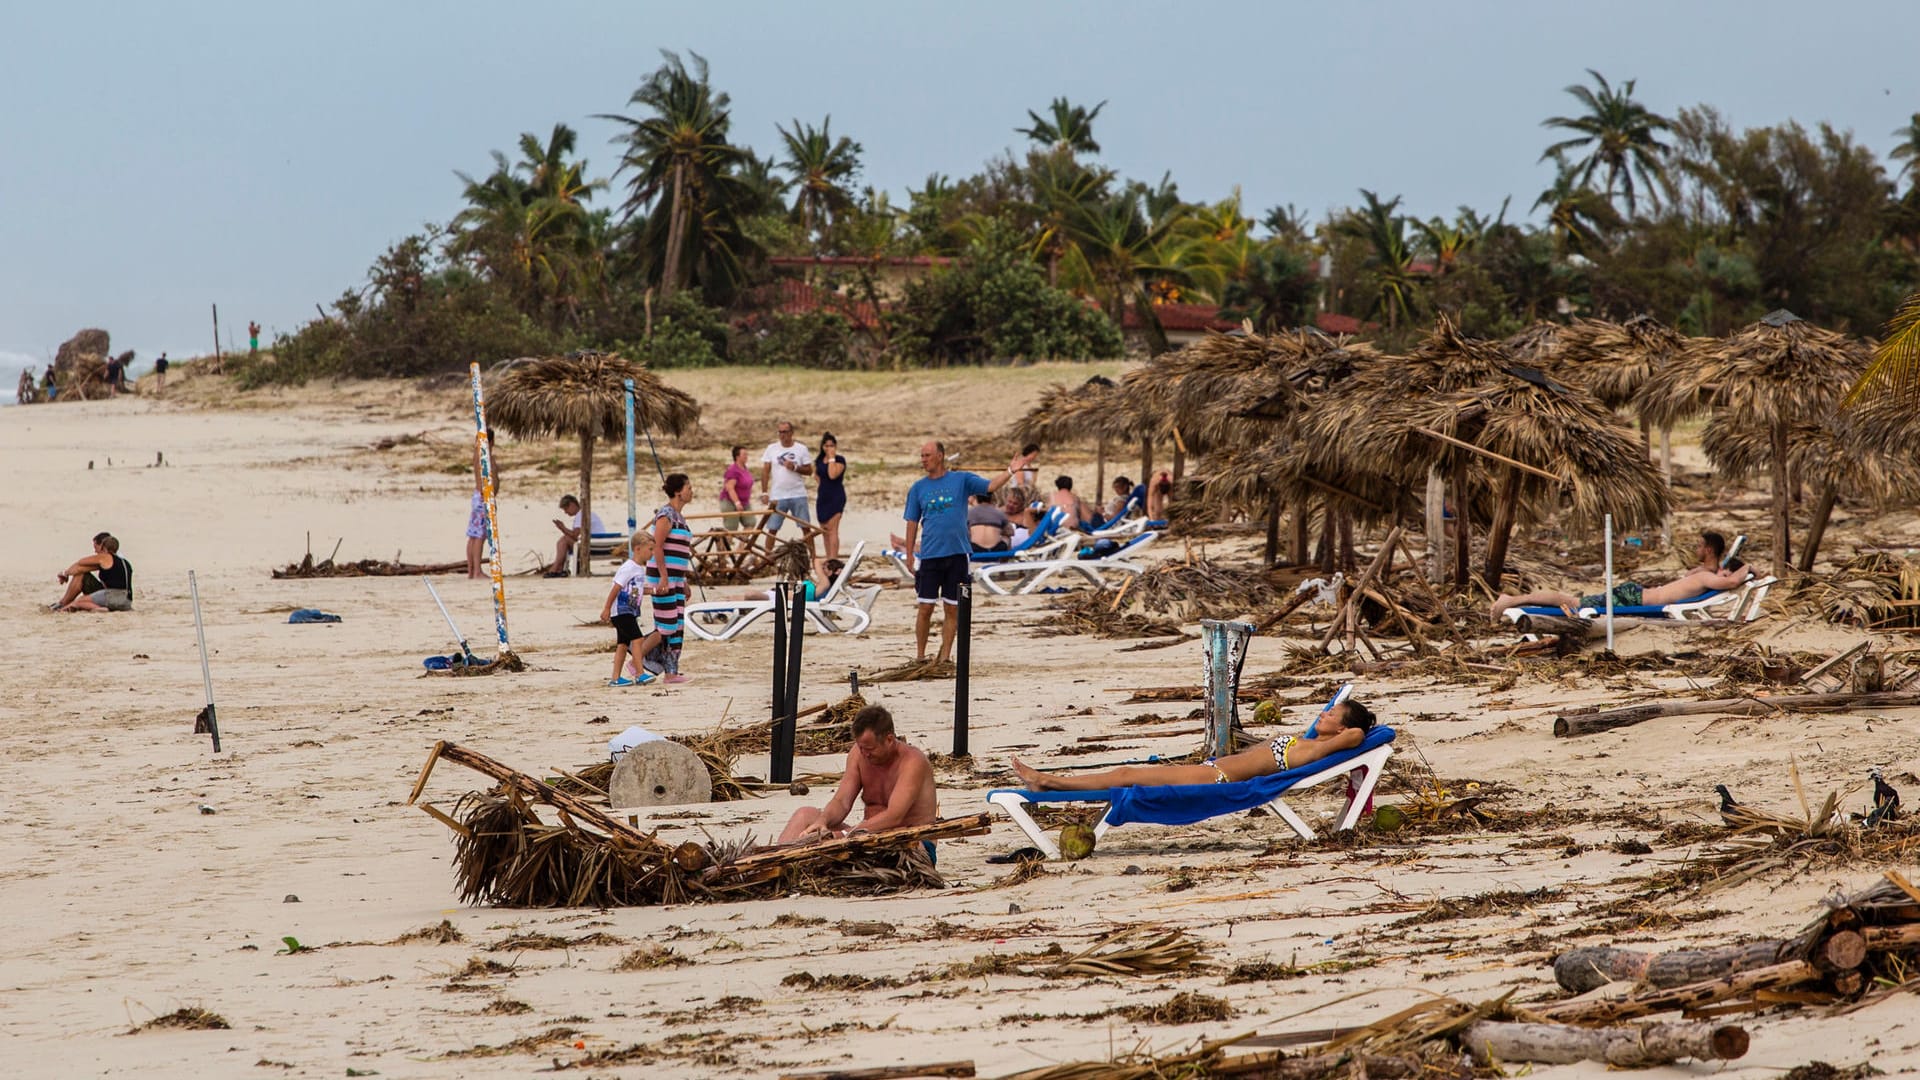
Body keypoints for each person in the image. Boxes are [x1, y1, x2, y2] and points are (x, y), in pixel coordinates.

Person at [1012, 699, 1378, 791]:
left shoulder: (1320, 748)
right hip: (1212, 769)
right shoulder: (1311, 741)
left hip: (1215, 780)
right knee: (1126, 773)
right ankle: (1050, 781)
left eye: (1333, 713)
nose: (1324, 713)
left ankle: (1049, 781)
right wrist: (1328, 724)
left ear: (1343, 726)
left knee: (1126, 776)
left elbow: (1358, 735)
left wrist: (1355, 726)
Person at [900, 440, 1033, 663]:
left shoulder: (961, 480)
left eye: (927, 455)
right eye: (921, 456)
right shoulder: (918, 488)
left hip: (958, 554)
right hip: (930, 555)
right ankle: (920, 656)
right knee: (925, 607)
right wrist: (910, 554)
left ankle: (944, 657)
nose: (923, 460)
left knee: (952, 609)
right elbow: (912, 521)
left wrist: (1010, 471)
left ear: (940, 456)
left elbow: (990, 487)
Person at [777, 705, 941, 861]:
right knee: (805, 814)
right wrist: (823, 821)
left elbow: (894, 817)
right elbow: (841, 802)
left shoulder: (913, 762)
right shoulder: (858, 753)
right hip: (863, 838)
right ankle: (775, 861)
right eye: (861, 747)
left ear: (889, 739)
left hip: (910, 843)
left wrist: (843, 835)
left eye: (869, 749)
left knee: (897, 839)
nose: (864, 754)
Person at [1489, 531, 1748, 620]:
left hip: (1634, 596)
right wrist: (1746, 568)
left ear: (1709, 549)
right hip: (1632, 597)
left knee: (1572, 602)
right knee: (1571, 603)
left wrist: (1745, 567)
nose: (1695, 549)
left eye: (1699, 546)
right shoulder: (1704, 574)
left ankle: (1513, 601)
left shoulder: (1706, 574)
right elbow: (1731, 579)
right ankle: (1510, 601)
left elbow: (1732, 580)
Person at [631, 474, 695, 684]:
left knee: (676, 626)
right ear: (678, 491)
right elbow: (657, 547)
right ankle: (636, 659)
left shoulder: (680, 517)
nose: (691, 491)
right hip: (662, 578)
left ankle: (671, 672)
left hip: (676, 578)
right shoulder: (665, 515)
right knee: (666, 625)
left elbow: (679, 553)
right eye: (688, 487)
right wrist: (665, 577)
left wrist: (682, 581)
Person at [599, 531, 658, 687]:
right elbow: (616, 587)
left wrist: (653, 591)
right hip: (621, 610)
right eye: (650, 549)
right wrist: (606, 608)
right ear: (638, 549)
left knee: (622, 644)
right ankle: (639, 674)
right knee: (637, 639)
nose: (652, 553)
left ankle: (616, 678)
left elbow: (635, 590)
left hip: (629, 611)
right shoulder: (629, 567)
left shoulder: (638, 569)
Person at [52, 532, 134, 612]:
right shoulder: (123, 561)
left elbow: (81, 562)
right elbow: (80, 569)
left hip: (113, 596)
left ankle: (63, 606)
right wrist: (66, 573)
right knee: (81, 575)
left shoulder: (104, 557)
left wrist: (65, 573)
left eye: (96, 547)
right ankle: (64, 604)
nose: (95, 551)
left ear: (103, 547)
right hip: (127, 601)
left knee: (79, 602)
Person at [760, 421, 814, 534]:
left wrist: (795, 467)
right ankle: (768, 552)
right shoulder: (771, 448)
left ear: (791, 433)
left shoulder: (801, 448)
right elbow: (765, 471)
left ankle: (811, 552)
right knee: (772, 528)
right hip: (778, 495)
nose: (782, 435)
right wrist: (764, 492)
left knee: (805, 527)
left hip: (798, 493)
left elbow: (809, 470)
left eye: (785, 432)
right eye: (780, 432)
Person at [546, 494, 605, 578]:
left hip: (593, 546)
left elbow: (575, 535)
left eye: (566, 508)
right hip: (598, 544)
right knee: (564, 540)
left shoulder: (581, 514)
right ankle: (558, 568)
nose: (565, 512)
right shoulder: (585, 513)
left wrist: (563, 528)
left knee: (564, 540)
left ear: (572, 505)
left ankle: (556, 568)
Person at [465, 430, 496, 579]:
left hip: (478, 496)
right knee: (479, 536)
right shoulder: (484, 455)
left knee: (473, 535)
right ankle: (476, 571)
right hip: (483, 497)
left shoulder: (477, 453)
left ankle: (472, 570)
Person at [815, 432, 848, 563]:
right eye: (826, 445)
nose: (829, 448)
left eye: (832, 445)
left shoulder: (840, 460)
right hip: (823, 496)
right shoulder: (819, 460)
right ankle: (828, 557)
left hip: (836, 496)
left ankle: (834, 559)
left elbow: (832, 474)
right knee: (824, 529)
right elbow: (817, 476)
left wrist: (831, 458)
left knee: (833, 529)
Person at [720, 445, 755, 532]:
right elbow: (730, 488)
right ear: (737, 457)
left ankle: (742, 546)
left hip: (745, 502)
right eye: (744, 454)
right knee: (731, 528)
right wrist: (737, 502)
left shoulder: (745, 469)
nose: (746, 456)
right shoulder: (733, 470)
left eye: (747, 454)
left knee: (751, 523)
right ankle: (725, 545)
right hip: (730, 502)